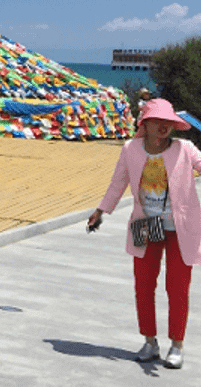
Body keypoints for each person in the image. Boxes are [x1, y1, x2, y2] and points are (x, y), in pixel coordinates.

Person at [88, 98, 201, 369]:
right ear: (145, 124)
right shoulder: (130, 149)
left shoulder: (184, 148)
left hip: (180, 228)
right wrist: (101, 210)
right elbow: (118, 182)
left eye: (168, 122)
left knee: (177, 288)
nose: (164, 126)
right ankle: (150, 341)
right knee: (143, 286)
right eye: (158, 121)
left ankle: (177, 345)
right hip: (143, 225)